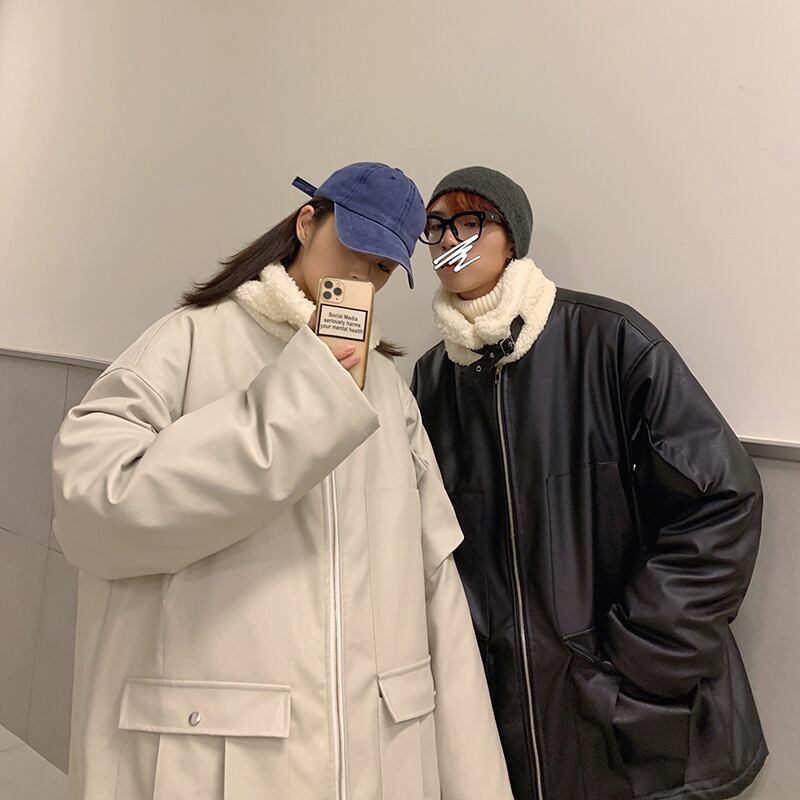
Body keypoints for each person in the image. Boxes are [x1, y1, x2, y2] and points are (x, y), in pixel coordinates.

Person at [51, 161, 514, 800]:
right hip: (224, 765)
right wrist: (300, 404)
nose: (363, 275)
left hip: (377, 764)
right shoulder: (189, 340)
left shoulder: (388, 392)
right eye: (354, 247)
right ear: (306, 223)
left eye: (383, 266)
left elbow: (434, 581)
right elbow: (91, 512)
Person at [410, 165, 767, 800]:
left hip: (630, 711)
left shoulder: (609, 338)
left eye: (470, 221)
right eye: (436, 227)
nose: (449, 241)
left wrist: (643, 653)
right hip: (506, 719)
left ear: (511, 237)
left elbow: (721, 497)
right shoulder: (433, 379)